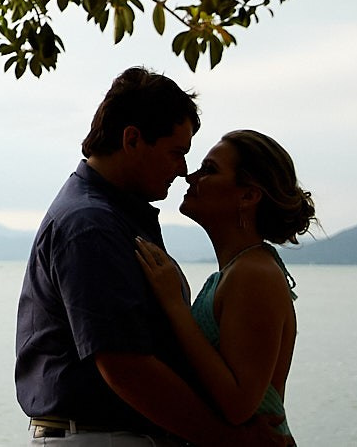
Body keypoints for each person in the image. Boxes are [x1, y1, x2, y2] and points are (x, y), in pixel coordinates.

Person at [16, 67, 285, 446]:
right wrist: (227, 440)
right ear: (132, 139)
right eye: (177, 153)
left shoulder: (117, 217)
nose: (183, 171)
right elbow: (125, 367)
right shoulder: (92, 224)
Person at [135, 130, 315, 440]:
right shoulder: (238, 271)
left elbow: (238, 404)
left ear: (248, 195)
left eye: (210, 170)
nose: (190, 176)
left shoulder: (254, 274)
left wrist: (175, 306)